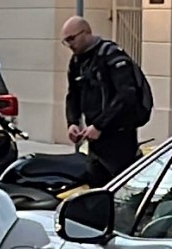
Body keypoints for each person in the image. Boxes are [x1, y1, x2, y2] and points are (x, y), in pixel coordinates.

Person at [61, 15, 152, 179]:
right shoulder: (77, 62)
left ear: (86, 32)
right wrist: (73, 122)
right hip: (94, 139)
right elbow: (73, 94)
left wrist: (100, 125)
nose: (69, 45)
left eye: (71, 39)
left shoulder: (111, 56)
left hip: (119, 137)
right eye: (66, 41)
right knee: (96, 186)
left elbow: (126, 96)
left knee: (119, 184)